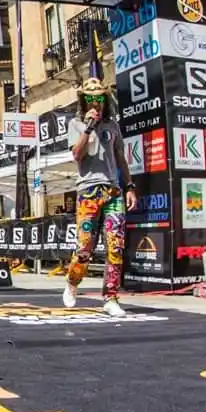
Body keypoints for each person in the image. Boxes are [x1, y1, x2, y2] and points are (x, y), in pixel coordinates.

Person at [62, 77, 136, 318]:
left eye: (100, 99)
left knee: (116, 246)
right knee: (85, 247)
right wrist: (89, 128)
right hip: (88, 191)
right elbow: (77, 154)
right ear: (83, 101)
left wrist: (130, 186)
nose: (96, 103)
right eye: (91, 99)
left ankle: (111, 297)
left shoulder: (113, 126)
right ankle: (73, 282)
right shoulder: (75, 124)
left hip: (113, 190)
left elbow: (121, 159)